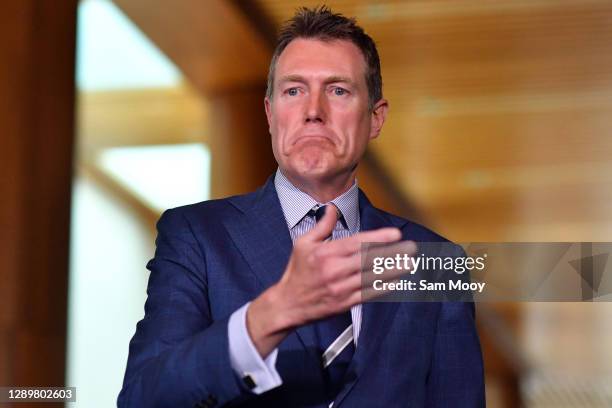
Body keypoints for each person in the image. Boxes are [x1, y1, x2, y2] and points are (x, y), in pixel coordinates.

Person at [118, 6, 484, 408]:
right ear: (270, 115)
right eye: (294, 91)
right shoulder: (196, 236)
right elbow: (144, 398)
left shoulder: (436, 263)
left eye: (338, 90)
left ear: (375, 118)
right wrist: (269, 316)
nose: (313, 111)